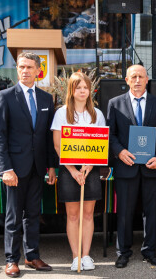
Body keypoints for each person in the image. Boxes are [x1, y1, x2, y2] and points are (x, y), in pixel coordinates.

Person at [0, 52, 57, 277]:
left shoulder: (47, 99)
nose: (25, 71)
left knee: (32, 214)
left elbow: (47, 137)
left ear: (39, 71)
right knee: (13, 216)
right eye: (21, 67)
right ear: (17, 69)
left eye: (30, 67)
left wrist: (51, 166)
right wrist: (6, 169)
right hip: (15, 170)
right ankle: (11, 260)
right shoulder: (5, 96)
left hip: (38, 168)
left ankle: (32, 256)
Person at [108, 65, 156, 268]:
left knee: (151, 212)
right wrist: (119, 151)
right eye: (133, 77)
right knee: (124, 212)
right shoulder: (114, 104)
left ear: (147, 80)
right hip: (126, 167)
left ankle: (149, 251)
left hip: (151, 167)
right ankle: (123, 252)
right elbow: (111, 134)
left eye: (140, 77)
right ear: (126, 80)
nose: (137, 80)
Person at [50, 72, 106, 271]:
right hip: (68, 171)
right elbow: (58, 146)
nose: (82, 91)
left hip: (90, 169)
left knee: (88, 214)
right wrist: (73, 171)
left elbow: (100, 144)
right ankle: (75, 257)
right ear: (71, 91)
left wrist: (89, 166)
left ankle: (86, 255)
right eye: (78, 87)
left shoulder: (97, 114)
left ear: (90, 90)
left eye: (85, 87)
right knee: (72, 215)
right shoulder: (61, 113)